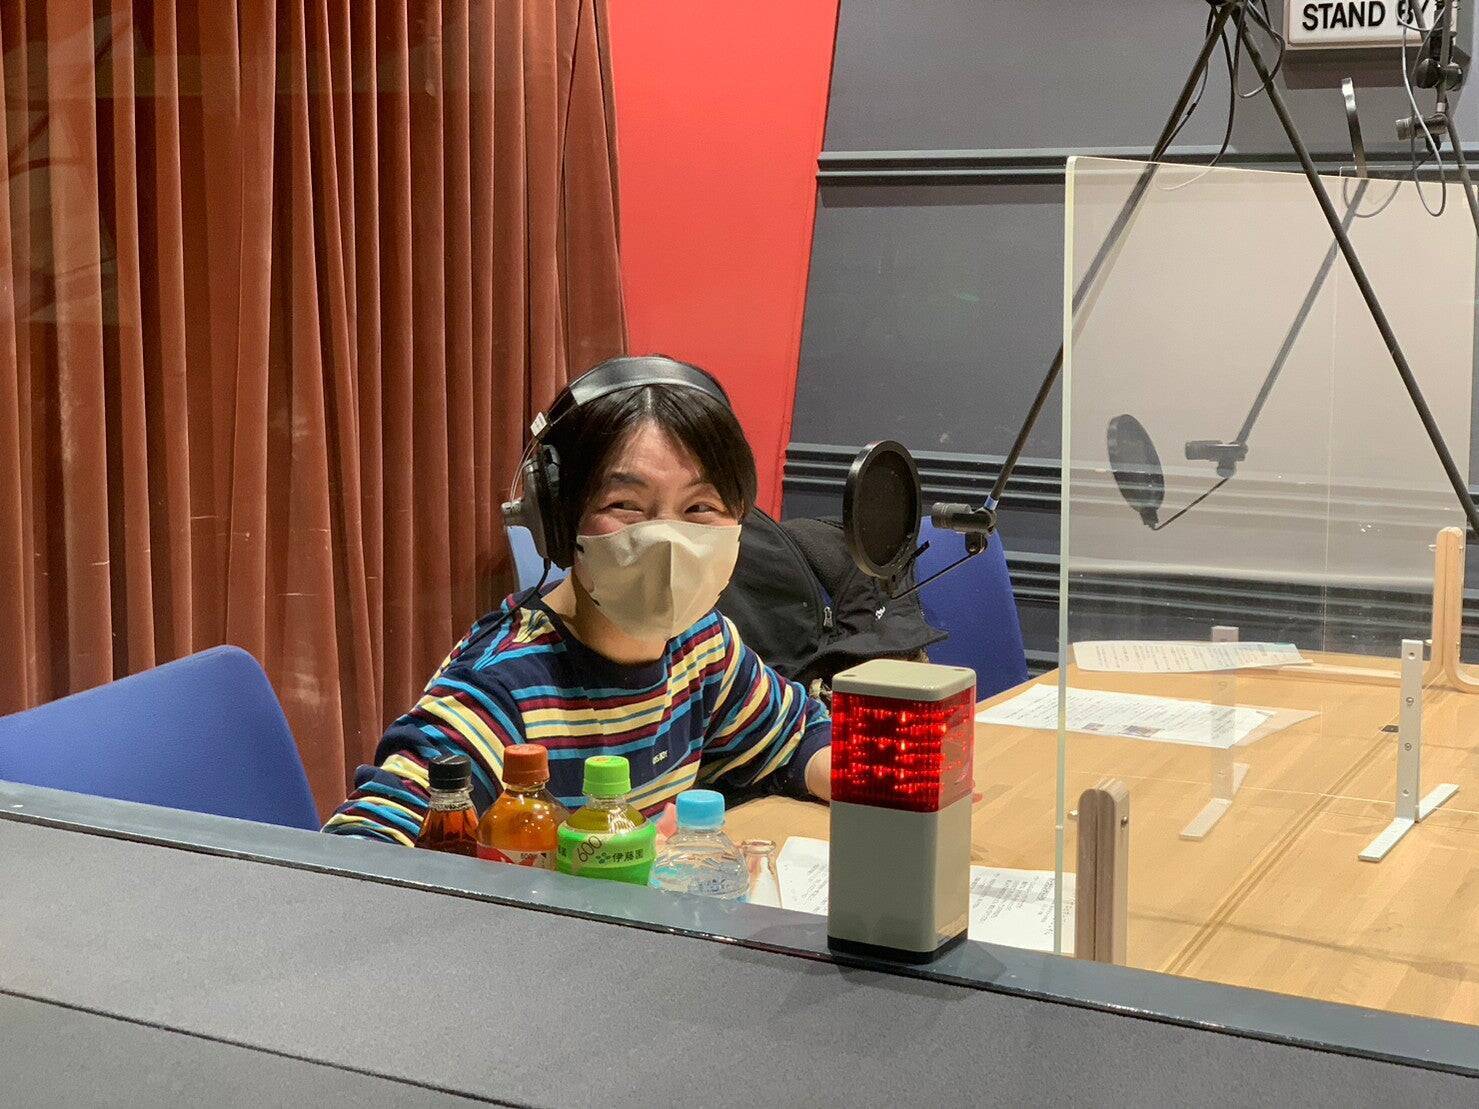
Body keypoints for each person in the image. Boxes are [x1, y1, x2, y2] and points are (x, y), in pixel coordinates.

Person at [323, 355, 831, 846]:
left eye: (700, 507)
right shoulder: (503, 688)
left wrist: (871, 785)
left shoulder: (702, 644)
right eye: (625, 505)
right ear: (558, 522)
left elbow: (798, 734)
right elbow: (362, 850)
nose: (669, 541)